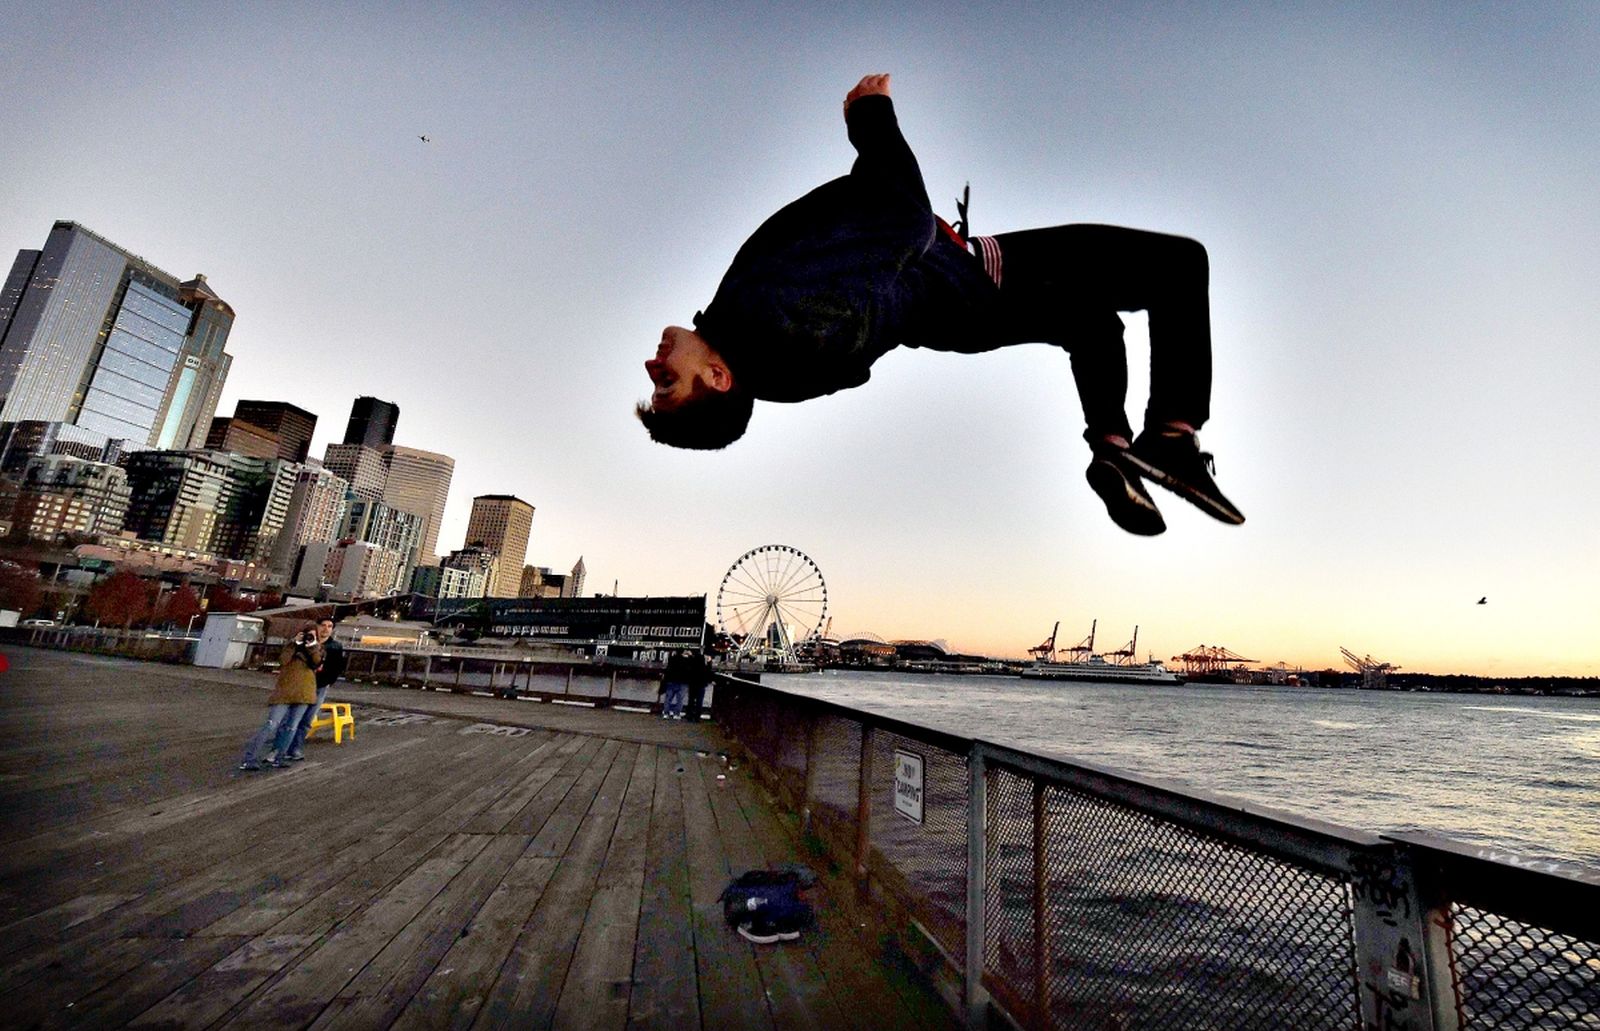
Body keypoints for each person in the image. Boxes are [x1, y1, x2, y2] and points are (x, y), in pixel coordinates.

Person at [637, 73, 1244, 536]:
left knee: (1089, 324)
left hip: (955, 306)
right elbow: (902, 219)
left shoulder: (774, 362)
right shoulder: (763, 315)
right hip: (972, 277)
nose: (654, 367)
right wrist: (871, 118)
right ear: (717, 378)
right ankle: (1168, 437)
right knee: (1179, 265)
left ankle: (1114, 450)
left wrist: (907, 292)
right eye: (669, 384)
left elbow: (857, 358)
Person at [238, 622, 323, 771]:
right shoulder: (291, 646)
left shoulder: (317, 649)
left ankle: (279, 757)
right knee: (271, 724)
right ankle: (249, 758)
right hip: (284, 691)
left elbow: (317, 663)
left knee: (292, 727)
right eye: (306, 634)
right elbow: (283, 661)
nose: (309, 637)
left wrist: (312, 645)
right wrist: (294, 643)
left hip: (305, 692)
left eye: (312, 635)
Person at [280, 616, 346, 761]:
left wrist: (328, 681)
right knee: (291, 719)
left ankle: (295, 748)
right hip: (301, 685)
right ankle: (280, 748)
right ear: (317, 626)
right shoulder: (305, 643)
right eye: (323, 625)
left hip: (319, 687)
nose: (326, 629)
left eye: (330, 626)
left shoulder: (335, 647)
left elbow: (337, 668)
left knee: (307, 720)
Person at [660, 650, 693, 720]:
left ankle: (666, 713)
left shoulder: (672, 659)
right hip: (683, 682)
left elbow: (668, 669)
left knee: (668, 698)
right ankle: (676, 714)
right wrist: (690, 656)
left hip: (671, 681)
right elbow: (692, 668)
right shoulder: (687, 660)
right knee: (680, 699)